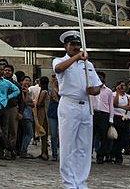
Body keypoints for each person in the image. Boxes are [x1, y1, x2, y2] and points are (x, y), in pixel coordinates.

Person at [53, 30, 103, 189]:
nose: (75, 47)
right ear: (66, 46)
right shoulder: (60, 60)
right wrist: (76, 57)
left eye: (77, 45)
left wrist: (94, 90)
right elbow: (59, 69)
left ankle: (81, 182)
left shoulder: (88, 65)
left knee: (84, 147)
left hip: (86, 105)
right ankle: (69, 183)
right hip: (69, 105)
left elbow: (97, 87)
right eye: (72, 44)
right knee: (68, 146)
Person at [111, 81, 130, 165]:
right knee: (117, 138)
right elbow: (114, 104)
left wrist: (121, 106)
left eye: (124, 86)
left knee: (127, 138)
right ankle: (117, 157)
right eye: (121, 86)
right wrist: (117, 93)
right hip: (117, 117)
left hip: (126, 118)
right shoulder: (113, 94)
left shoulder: (128, 96)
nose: (123, 87)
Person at [92, 72, 114, 163]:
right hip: (93, 113)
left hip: (104, 114)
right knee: (91, 135)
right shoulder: (91, 89)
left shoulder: (108, 91)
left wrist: (111, 118)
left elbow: (111, 105)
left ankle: (100, 155)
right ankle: (88, 155)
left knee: (103, 136)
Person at [17, 75, 35, 159]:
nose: (27, 82)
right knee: (29, 133)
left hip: (28, 114)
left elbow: (32, 104)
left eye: (29, 81)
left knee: (25, 134)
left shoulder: (27, 90)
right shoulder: (22, 90)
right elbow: (26, 102)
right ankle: (23, 151)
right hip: (25, 115)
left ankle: (22, 150)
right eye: (26, 80)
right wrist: (27, 94)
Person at [33, 76, 51, 161]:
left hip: (42, 114)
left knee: (43, 133)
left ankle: (44, 153)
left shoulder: (43, 91)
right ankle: (44, 152)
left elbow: (39, 103)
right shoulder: (47, 91)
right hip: (44, 113)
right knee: (44, 134)